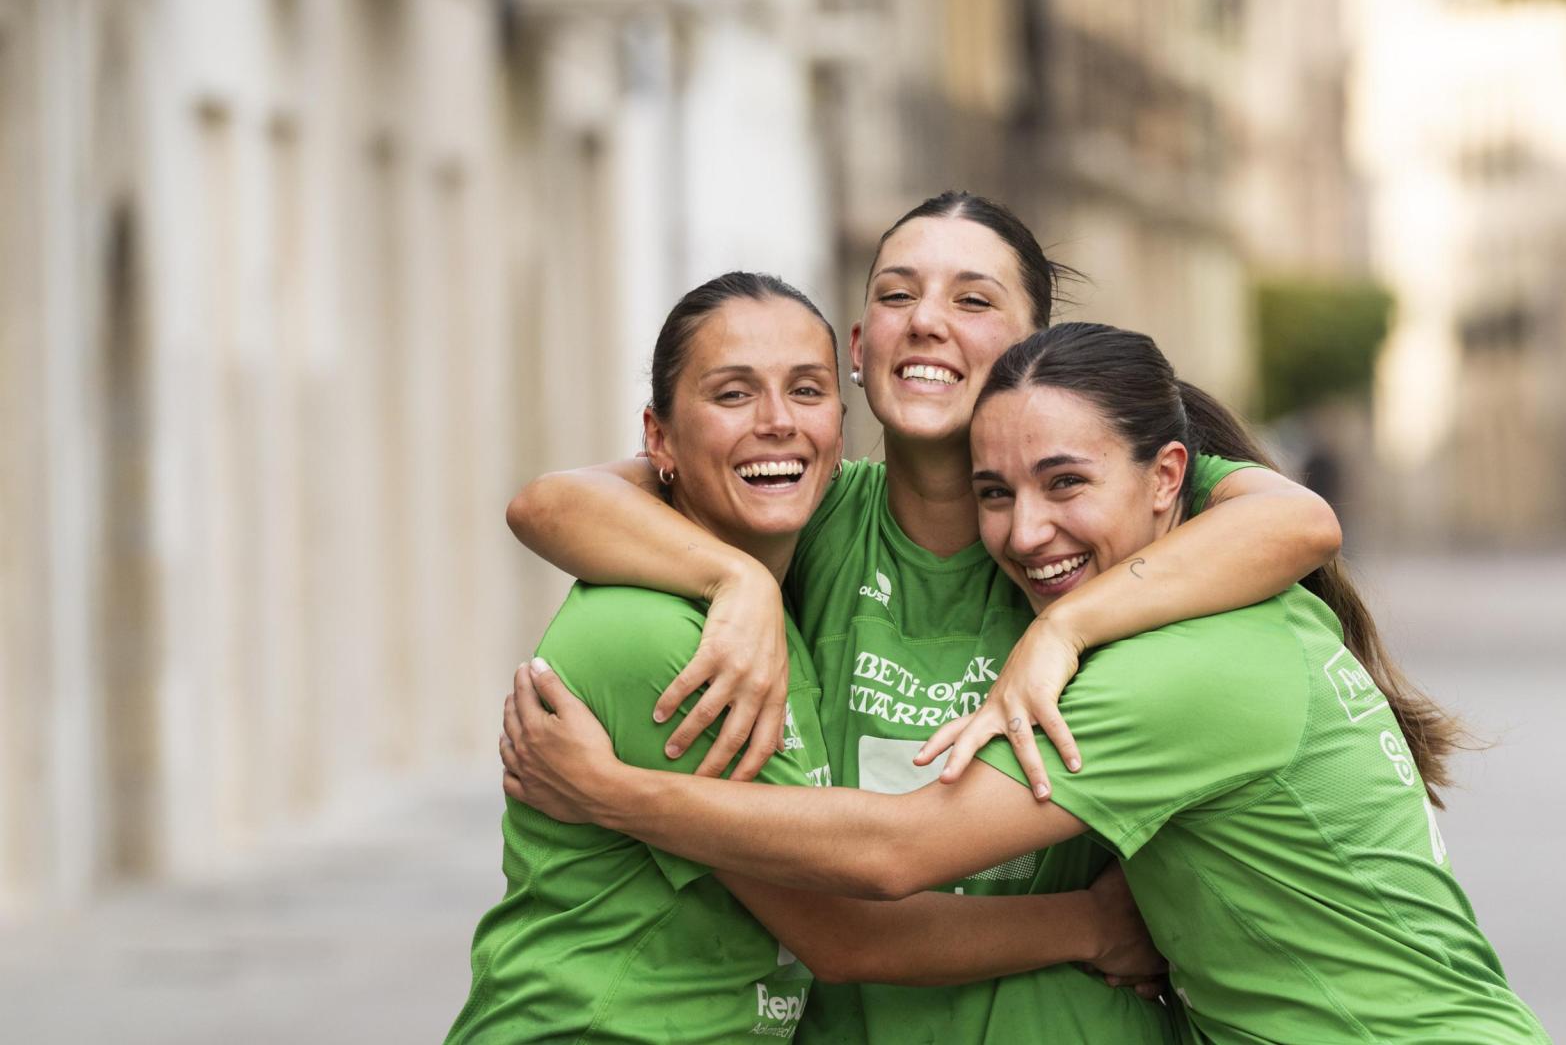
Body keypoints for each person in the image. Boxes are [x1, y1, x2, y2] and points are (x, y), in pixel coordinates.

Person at [502, 322, 1552, 1044]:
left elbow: (892, 850)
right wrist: (731, 569)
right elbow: (563, 497)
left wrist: (615, 796)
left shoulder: (1187, 668)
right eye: (994, 493)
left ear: (1171, 478)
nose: (1025, 532)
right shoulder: (1232, 600)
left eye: (1066, 485)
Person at [503, 192, 1344, 1042]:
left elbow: (1299, 523)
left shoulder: (1105, 521)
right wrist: (737, 580)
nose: (928, 322)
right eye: (898, 295)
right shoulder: (798, 513)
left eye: (973, 300)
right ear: (861, 354)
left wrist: (1065, 626)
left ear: (1032, 358)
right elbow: (552, 503)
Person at [448, 279, 1166, 1045]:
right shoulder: (659, 636)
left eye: (806, 390)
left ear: (841, 425)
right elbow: (846, 929)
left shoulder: (768, 604)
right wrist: (1095, 923)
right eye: (732, 394)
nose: (778, 422)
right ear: (657, 438)